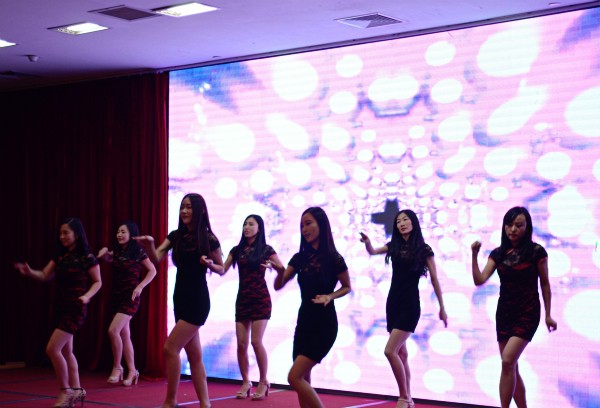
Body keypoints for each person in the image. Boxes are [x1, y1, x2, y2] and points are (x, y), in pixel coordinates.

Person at [134, 193, 224, 408]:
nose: (184, 211)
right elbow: (156, 258)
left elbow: (221, 268)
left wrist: (210, 264)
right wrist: (149, 245)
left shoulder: (209, 239)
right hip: (180, 298)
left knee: (169, 348)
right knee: (194, 356)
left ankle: (170, 401)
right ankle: (205, 404)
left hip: (198, 300)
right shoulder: (175, 236)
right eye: (183, 206)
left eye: (189, 207)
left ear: (200, 210)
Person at [360, 209, 447, 408]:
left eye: (405, 219)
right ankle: (409, 399)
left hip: (410, 304)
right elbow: (373, 251)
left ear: (414, 222)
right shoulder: (394, 246)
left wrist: (442, 307)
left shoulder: (424, 249)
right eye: (398, 221)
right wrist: (367, 243)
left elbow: (434, 279)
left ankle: (403, 397)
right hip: (393, 303)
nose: (402, 223)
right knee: (401, 354)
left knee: (390, 351)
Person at [471, 206, 557, 408]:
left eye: (519, 225)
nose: (513, 229)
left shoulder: (536, 252)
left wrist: (548, 314)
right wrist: (474, 255)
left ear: (527, 227)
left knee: (507, 361)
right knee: (511, 366)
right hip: (504, 313)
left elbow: (545, 283)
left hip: (528, 312)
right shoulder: (498, 253)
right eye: (509, 225)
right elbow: (479, 280)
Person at [14, 217, 102, 408]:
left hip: (76, 308)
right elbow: (45, 275)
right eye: (60, 233)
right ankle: (77, 390)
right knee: (67, 351)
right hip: (61, 307)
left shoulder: (87, 257)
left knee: (52, 349)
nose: (62, 236)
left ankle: (65, 391)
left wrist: (87, 296)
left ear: (76, 234)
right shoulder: (60, 256)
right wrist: (30, 272)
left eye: (66, 232)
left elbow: (98, 282)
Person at [273, 207, 351, 408]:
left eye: (308, 223)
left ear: (321, 224)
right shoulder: (299, 258)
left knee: (294, 377)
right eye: (301, 226)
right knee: (303, 379)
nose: (304, 229)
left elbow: (347, 287)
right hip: (304, 323)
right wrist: (279, 271)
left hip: (324, 324)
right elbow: (278, 285)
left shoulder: (334, 258)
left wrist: (329, 296)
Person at [222, 214, 284, 400]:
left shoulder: (266, 249)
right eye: (245, 224)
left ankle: (263, 381)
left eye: (251, 224)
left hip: (260, 299)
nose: (246, 227)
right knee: (241, 344)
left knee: (256, 342)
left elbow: (283, 269)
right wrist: (210, 263)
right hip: (243, 299)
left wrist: (274, 266)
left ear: (259, 228)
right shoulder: (237, 250)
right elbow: (222, 269)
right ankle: (246, 381)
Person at [97, 221, 157, 386]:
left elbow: (152, 270)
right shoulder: (117, 250)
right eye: (118, 231)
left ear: (131, 234)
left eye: (123, 232)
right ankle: (132, 371)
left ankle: (117, 367)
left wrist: (140, 286)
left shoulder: (137, 251)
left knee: (113, 330)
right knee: (124, 335)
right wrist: (104, 253)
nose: (119, 235)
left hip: (131, 297)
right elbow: (107, 258)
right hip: (117, 296)